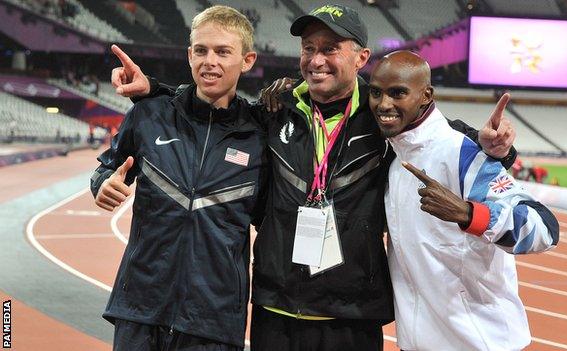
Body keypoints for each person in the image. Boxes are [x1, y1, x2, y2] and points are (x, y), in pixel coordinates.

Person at [109, 4, 518, 350]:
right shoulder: (275, 109)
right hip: (276, 308)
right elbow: (213, 109)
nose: (316, 59)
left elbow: (442, 138)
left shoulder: (383, 118)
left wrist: (498, 147)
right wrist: (156, 92)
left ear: (361, 57)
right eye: (309, 49)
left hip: (351, 313)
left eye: (330, 49)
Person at [91, 6, 266, 350]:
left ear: (247, 60)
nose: (209, 61)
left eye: (222, 52)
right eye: (201, 50)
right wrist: (103, 184)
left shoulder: (260, 135)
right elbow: (106, 168)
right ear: (189, 55)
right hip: (140, 306)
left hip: (213, 319)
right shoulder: (149, 114)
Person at [369, 50, 559, 350]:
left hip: (479, 342)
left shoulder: (461, 153)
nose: (384, 104)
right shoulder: (394, 159)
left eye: (398, 93)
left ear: (426, 95)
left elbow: (544, 229)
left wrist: (470, 215)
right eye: (376, 93)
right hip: (416, 343)